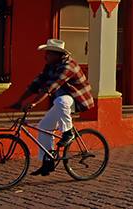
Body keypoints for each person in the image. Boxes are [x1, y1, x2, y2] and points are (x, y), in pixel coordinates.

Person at [11, 38, 94, 177]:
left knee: (61, 101)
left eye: (49, 53)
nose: (46, 56)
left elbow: (51, 87)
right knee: (44, 127)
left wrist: (34, 103)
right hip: (60, 102)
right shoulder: (50, 66)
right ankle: (47, 162)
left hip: (76, 99)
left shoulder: (69, 66)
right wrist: (20, 101)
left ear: (58, 55)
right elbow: (36, 84)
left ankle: (68, 132)